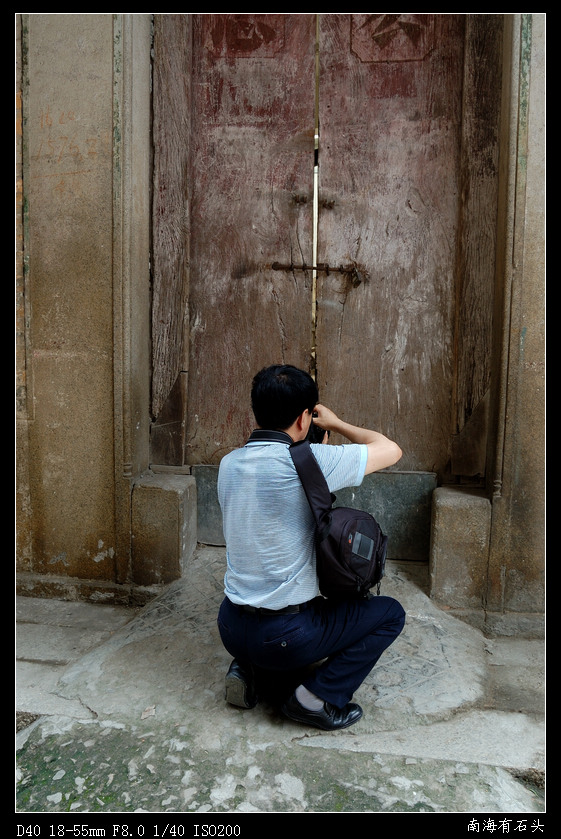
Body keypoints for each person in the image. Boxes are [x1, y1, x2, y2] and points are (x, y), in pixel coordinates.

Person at [216, 364, 406, 730]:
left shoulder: (229, 463)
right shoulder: (311, 462)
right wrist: (336, 424)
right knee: (389, 614)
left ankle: (247, 667)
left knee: (267, 590)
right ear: (304, 418)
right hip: (285, 637)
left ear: (257, 411)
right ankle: (314, 699)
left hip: (230, 627)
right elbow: (390, 450)